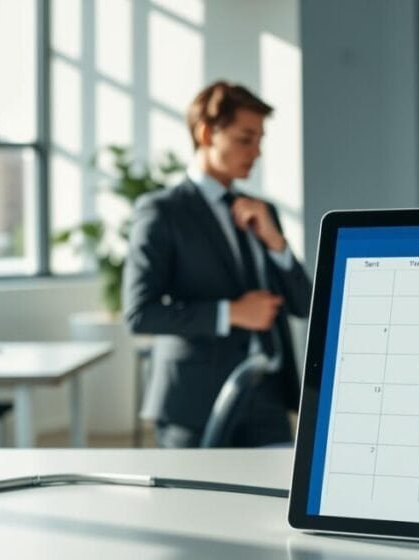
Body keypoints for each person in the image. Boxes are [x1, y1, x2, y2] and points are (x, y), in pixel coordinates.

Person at [123, 80, 312, 448]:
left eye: (260, 140)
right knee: (196, 504)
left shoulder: (262, 211)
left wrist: (275, 242)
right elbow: (139, 314)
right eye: (245, 139)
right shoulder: (162, 211)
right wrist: (233, 313)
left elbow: (305, 305)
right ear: (207, 132)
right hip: (194, 403)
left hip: (268, 398)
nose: (256, 151)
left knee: (273, 503)